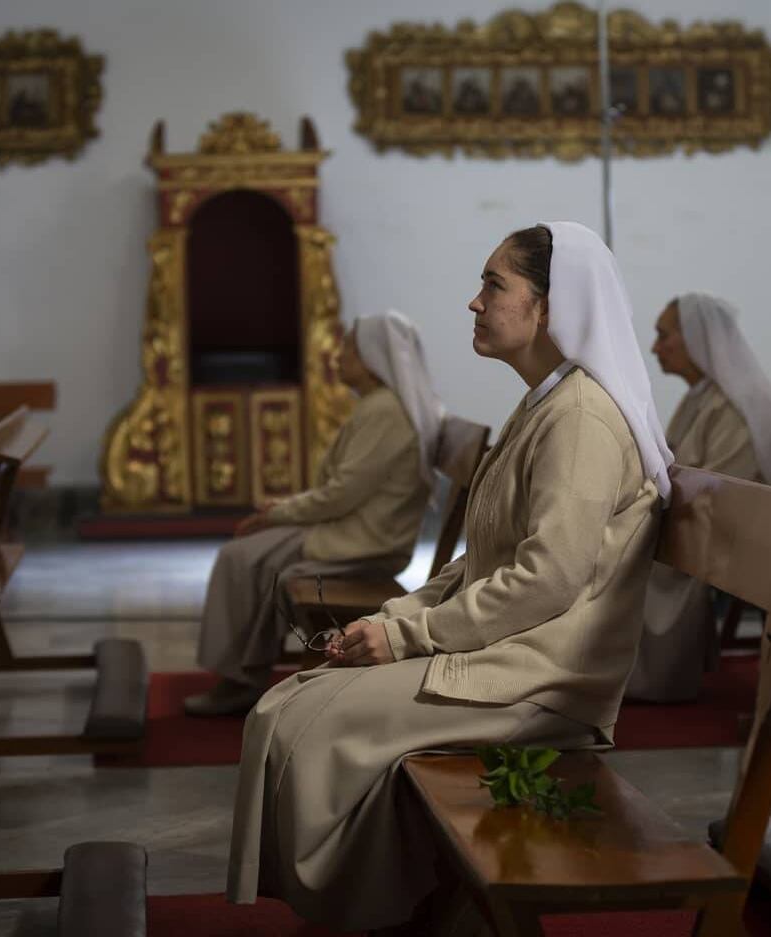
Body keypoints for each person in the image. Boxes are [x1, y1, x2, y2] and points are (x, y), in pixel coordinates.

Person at [225, 221, 671, 932]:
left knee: (317, 726)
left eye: (494, 284)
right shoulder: (544, 403)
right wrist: (398, 619)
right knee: (293, 702)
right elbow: (481, 558)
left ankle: (380, 909)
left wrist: (412, 637)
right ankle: (395, 902)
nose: (474, 301)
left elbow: (547, 578)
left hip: (542, 679)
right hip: (507, 650)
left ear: (551, 307)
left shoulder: (582, 416)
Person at [183, 310, 440, 716]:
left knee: (242, 557)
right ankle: (241, 672)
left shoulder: (385, 410)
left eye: (349, 348)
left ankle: (238, 678)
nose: (338, 357)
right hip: (350, 530)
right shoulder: (378, 406)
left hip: (364, 540)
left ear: (374, 357)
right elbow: (342, 492)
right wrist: (281, 512)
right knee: (252, 556)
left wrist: (278, 514)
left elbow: (341, 494)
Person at [627, 292, 771, 701]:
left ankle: (633, 672)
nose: (654, 347)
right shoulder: (703, 394)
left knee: (618, 548)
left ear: (698, 338)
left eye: (664, 335)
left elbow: (718, 494)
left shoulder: (738, 405)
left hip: (726, 532)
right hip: (699, 517)